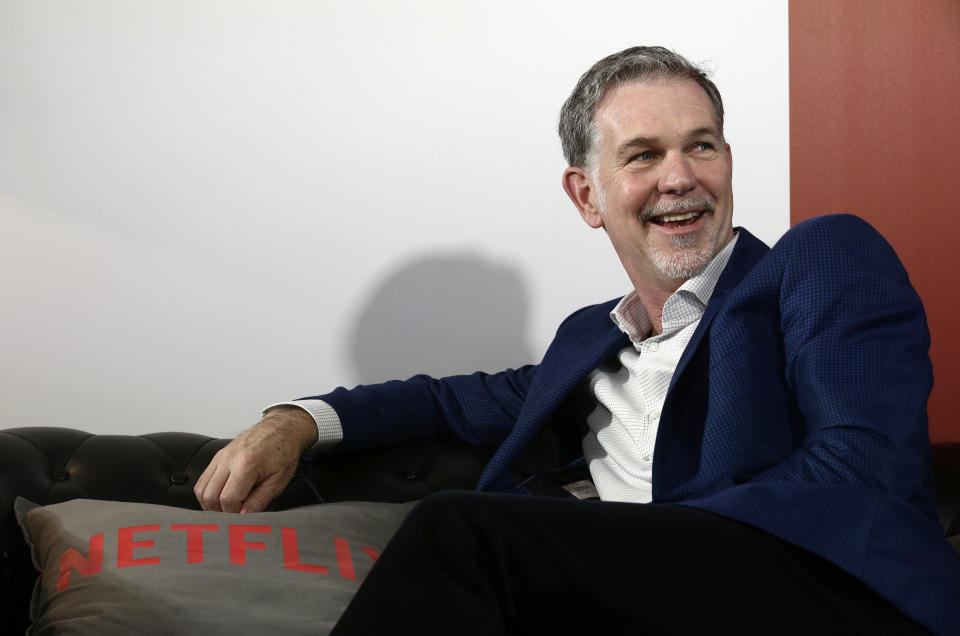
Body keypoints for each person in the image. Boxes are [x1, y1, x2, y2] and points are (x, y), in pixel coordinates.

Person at [195, 46, 960, 634]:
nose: (680, 178)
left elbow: (862, 467)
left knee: (456, 527)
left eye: (702, 146)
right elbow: (444, 403)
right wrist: (293, 422)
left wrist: (618, 541)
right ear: (587, 195)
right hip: (631, 608)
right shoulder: (589, 346)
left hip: (822, 590)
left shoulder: (818, 259)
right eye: (643, 155)